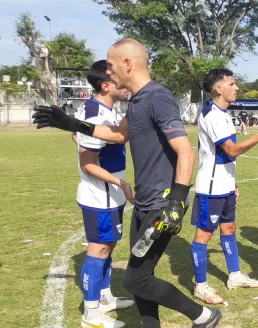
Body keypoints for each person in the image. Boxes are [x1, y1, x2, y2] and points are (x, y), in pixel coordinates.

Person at [33, 38, 222, 327]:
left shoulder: (158, 97)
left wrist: (175, 203)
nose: (107, 73)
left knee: (136, 279)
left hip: (162, 205)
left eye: (110, 65)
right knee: (140, 280)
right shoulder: (136, 102)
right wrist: (73, 124)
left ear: (127, 64)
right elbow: (117, 136)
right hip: (144, 203)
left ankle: (203, 316)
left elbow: (186, 151)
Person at [189, 69, 258, 305]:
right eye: (232, 84)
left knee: (229, 229)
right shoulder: (212, 115)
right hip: (211, 188)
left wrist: (232, 183)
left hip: (224, 186)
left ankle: (234, 276)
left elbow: (226, 157)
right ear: (218, 88)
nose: (236, 88)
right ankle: (200, 286)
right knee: (203, 236)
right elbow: (232, 151)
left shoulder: (224, 114)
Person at [73, 60, 135, 328]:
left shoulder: (104, 110)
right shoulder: (94, 113)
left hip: (111, 194)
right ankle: (90, 313)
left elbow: (78, 138)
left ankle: (105, 297)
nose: (126, 85)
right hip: (100, 196)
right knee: (98, 249)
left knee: (108, 246)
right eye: (120, 81)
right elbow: (88, 164)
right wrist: (120, 183)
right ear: (106, 85)